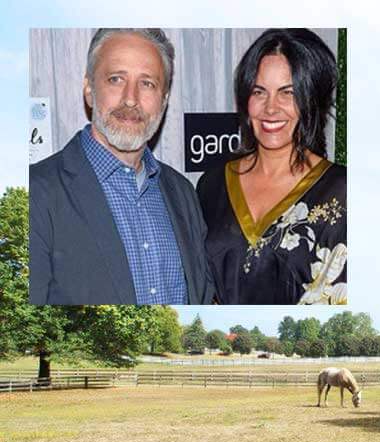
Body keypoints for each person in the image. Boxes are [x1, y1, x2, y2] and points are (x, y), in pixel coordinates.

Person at [29, 28, 214, 305]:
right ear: (89, 90)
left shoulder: (183, 193)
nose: (131, 98)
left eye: (147, 83)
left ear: (163, 101)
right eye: (116, 79)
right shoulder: (35, 194)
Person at [197, 29, 347, 305]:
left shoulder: (343, 192)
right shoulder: (212, 184)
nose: (270, 108)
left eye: (287, 93)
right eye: (259, 91)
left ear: (312, 98)